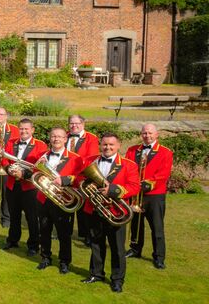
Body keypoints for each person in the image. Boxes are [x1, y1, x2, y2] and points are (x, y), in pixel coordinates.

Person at [79, 133, 140, 293]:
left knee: (117, 247)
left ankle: (117, 279)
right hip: (93, 209)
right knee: (96, 244)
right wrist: (85, 185)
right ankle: (96, 274)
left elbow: (135, 187)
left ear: (119, 145)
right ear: (101, 145)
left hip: (115, 212)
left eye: (111, 145)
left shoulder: (129, 165)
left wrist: (112, 190)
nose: (108, 147)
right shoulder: (91, 161)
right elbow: (79, 179)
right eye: (105, 144)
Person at [125, 123, 173, 269]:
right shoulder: (132, 150)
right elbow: (126, 168)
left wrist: (148, 184)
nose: (147, 136)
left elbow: (163, 174)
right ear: (141, 134)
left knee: (157, 227)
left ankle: (158, 256)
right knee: (136, 225)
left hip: (154, 195)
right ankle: (135, 249)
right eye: (145, 133)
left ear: (156, 134)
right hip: (135, 193)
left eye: (150, 133)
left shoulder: (165, 152)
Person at [35, 127, 83, 274]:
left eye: (59, 137)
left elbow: (81, 178)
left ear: (65, 139)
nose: (56, 139)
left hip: (62, 199)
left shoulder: (75, 158)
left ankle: (64, 261)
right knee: (44, 230)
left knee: (63, 233)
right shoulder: (42, 156)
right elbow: (35, 173)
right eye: (53, 136)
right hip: (44, 198)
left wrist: (65, 179)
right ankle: (45, 257)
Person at [1, 119, 47, 256]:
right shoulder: (11, 143)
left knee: (32, 218)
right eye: (21, 129)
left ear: (32, 130)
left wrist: (24, 174)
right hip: (12, 185)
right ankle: (12, 240)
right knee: (13, 215)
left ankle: (33, 245)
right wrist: (9, 169)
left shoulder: (40, 145)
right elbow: (3, 159)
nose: (24, 131)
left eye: (27, 129)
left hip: (30, 187)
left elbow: (41, 167)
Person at [67, 114, 100, 245]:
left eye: (77, 123)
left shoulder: (91, 138)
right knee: (67, 204)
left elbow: (91, 158)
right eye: (71, 123)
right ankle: (65, 231)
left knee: (83, 208)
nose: (74, 126)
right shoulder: (65, 136)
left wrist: (78, 174)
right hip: (65, 177)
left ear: (83, 124)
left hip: (82, 177)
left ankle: (86, 234)